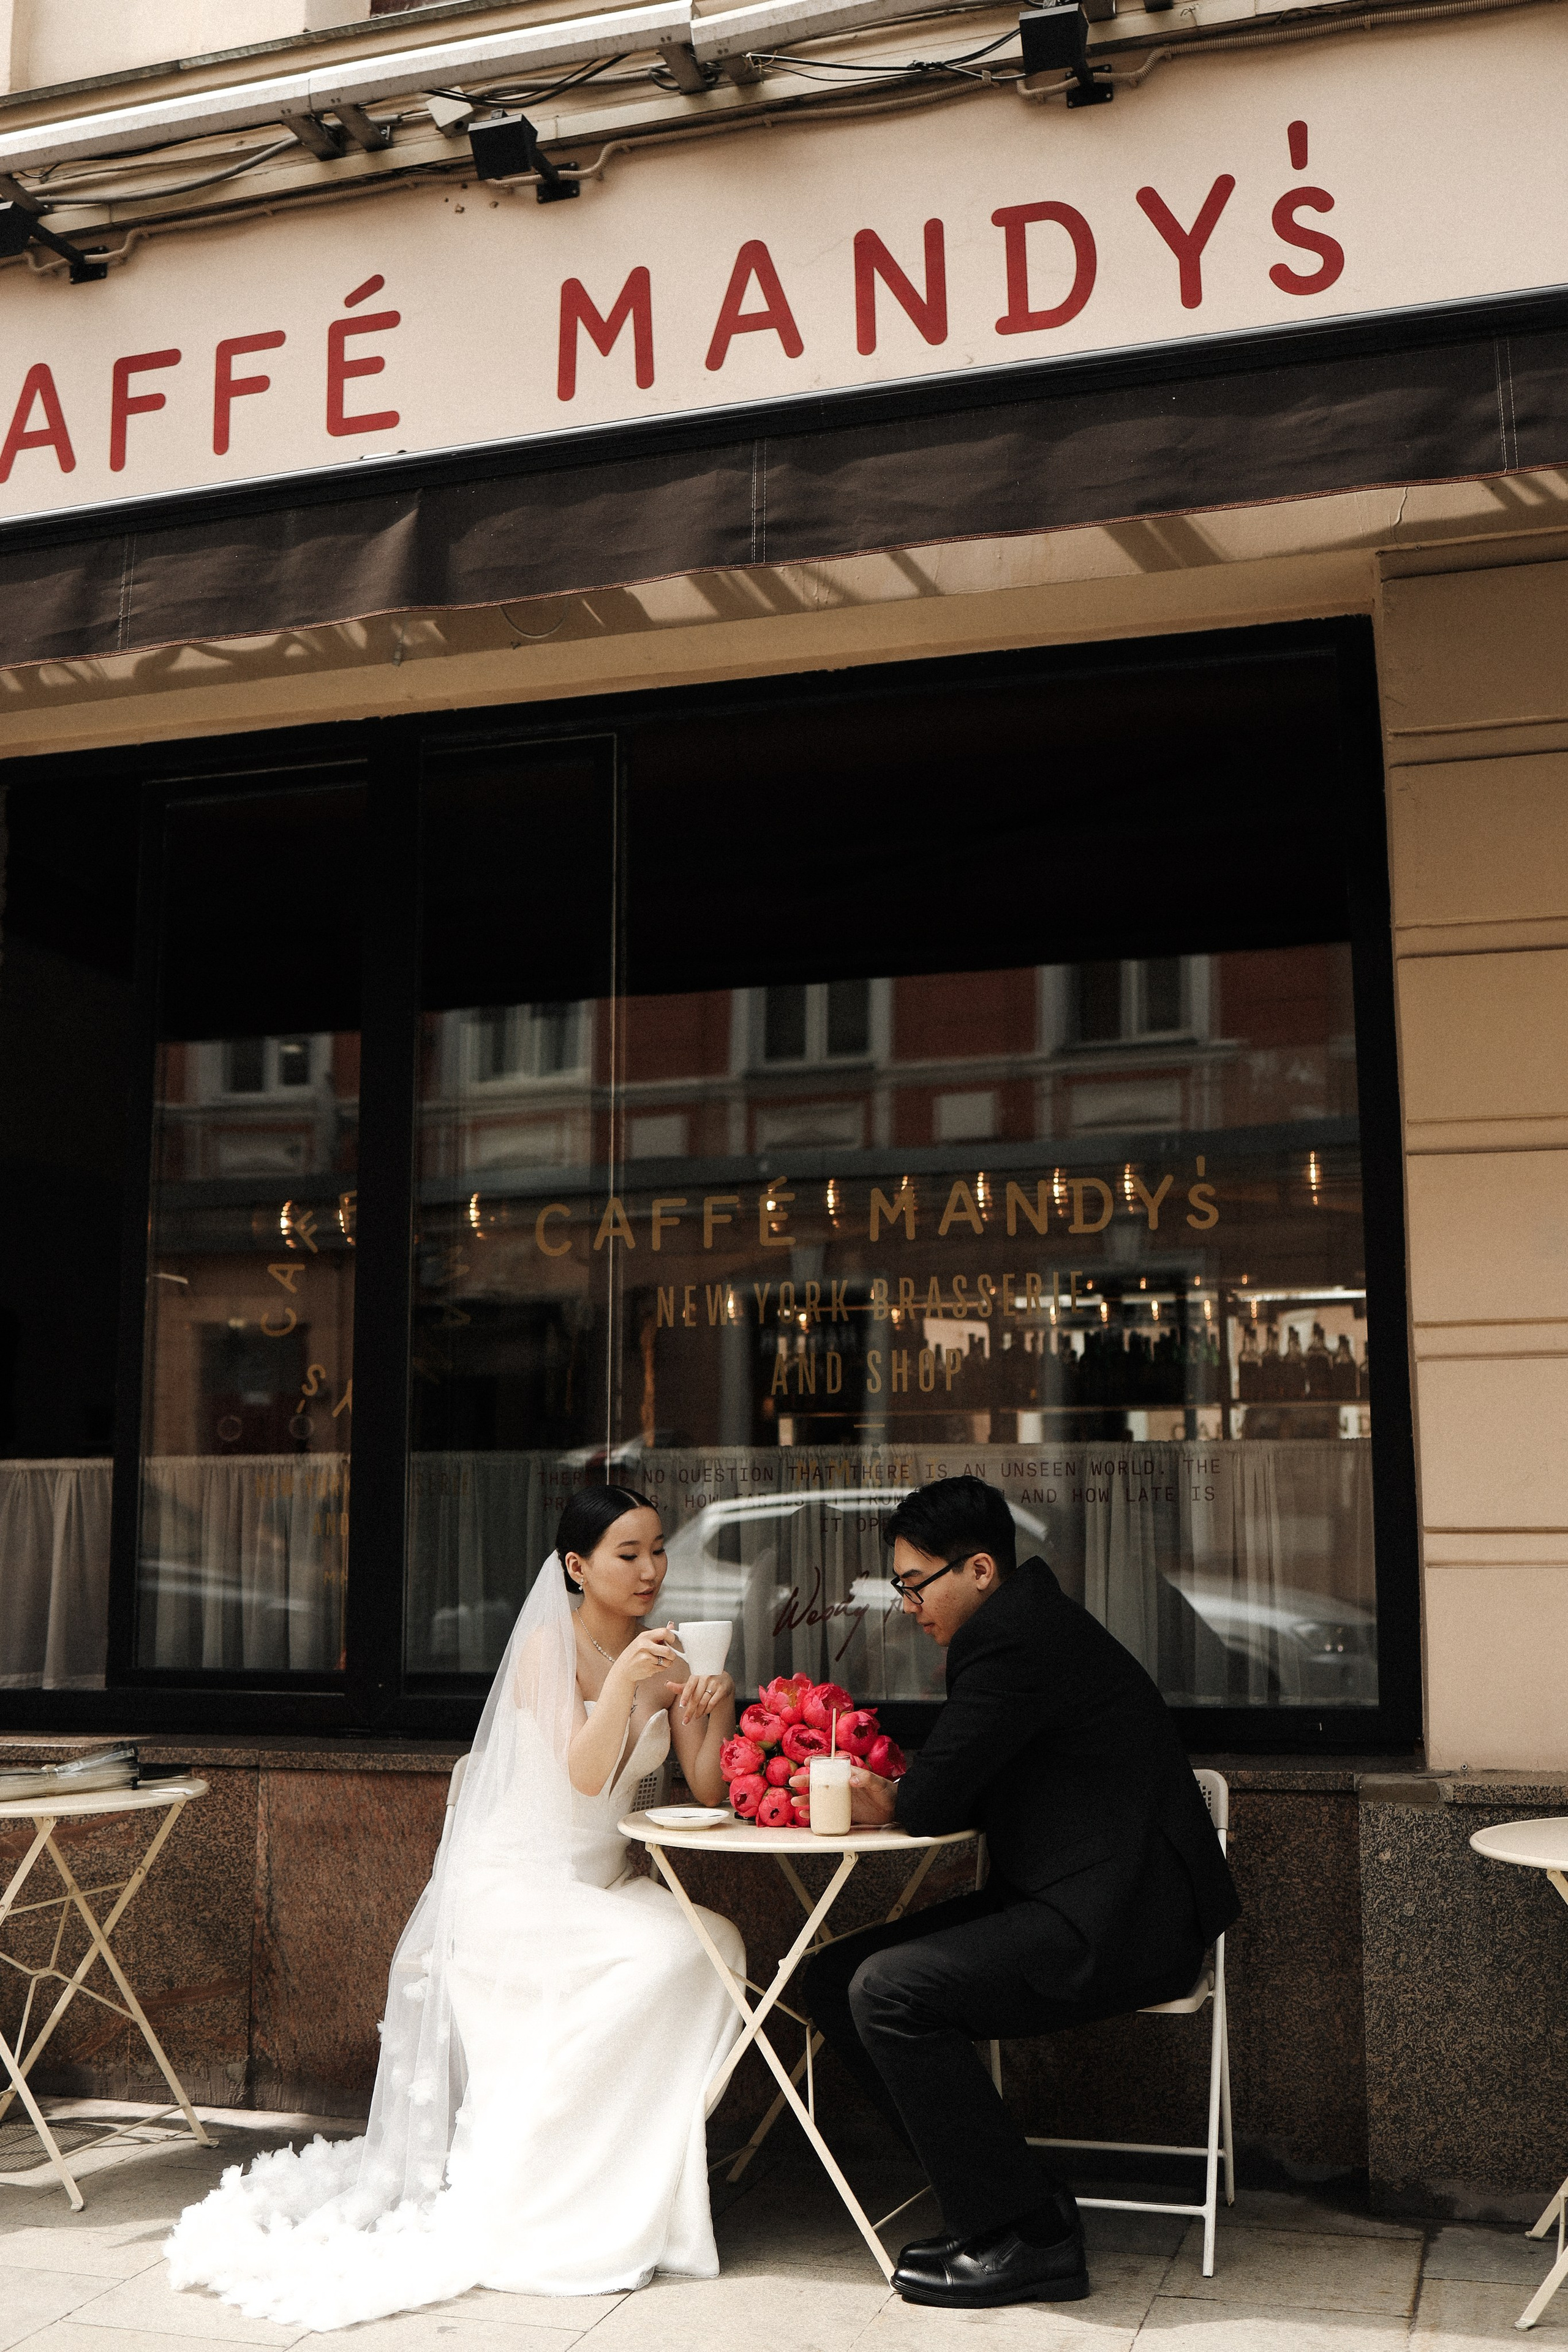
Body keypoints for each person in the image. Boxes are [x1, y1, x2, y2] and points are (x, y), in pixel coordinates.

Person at [166, 1485, 745, 2328]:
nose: (652, 1569)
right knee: (668, 1955)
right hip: (517, 1885)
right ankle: (546, 2175)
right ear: (579, 1568)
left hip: (602, 1883)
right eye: (630, 1554)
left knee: (714, 1942)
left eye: (659, 1549)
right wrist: (623, 1683)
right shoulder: (551, 1650)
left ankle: (621, 2170)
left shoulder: (671, 1656)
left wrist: (709, 1707)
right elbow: (584, 1775)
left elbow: (707, 1789)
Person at [797, 1474, 1240, 2313]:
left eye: (915, 1584)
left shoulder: (1013, 1642)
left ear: (980, 1572)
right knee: (832, 1978)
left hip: (1120, 1922)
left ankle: (1027, 2244)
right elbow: (957, 1778)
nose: (905, 1605)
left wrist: (895, 1795)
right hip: (1072, 1896)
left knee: (888, 1990)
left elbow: (929, 1802)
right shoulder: (1024, 1627)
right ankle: (1019, 2202)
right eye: (899, 1586)